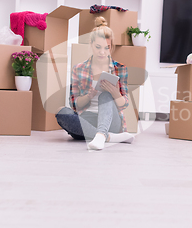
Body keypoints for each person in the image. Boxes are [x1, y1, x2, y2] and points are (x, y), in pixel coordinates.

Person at [56, 17, 134, 150]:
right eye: (98, 47)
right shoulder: (78, 69)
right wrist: (88, 96)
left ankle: (101, 134)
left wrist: (115, 93)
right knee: (61, 112)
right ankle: (107, 137)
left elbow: (124, 104)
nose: (102, 52)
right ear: (91, 44)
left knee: (105, 96)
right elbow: (74, 105)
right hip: (87, 120)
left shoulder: (119, 69)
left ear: (111, 47)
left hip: (111, 121)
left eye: (106, 48)